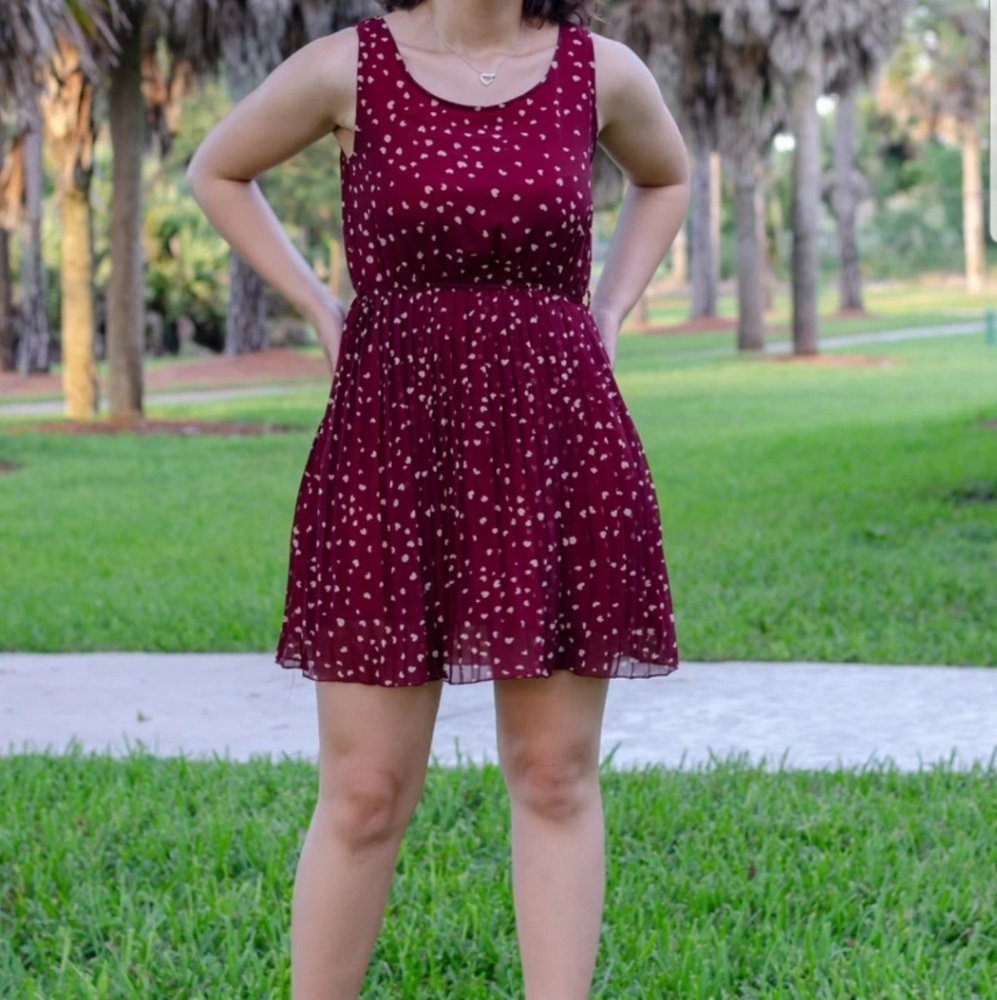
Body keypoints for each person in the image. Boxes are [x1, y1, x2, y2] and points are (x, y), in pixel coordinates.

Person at [187, 0, 689, 995]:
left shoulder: (604, 72)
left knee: (553, 772)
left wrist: (608, 310)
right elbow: (218, 169)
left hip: (552, 438)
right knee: (366, 791)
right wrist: (318, 307)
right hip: (390, 443)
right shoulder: (347, 68)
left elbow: (664, 176)